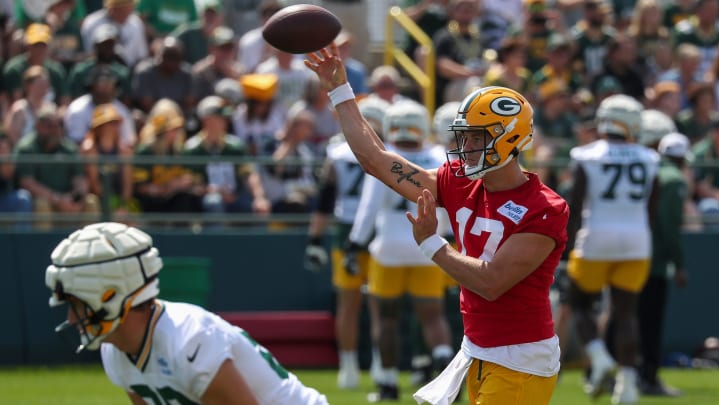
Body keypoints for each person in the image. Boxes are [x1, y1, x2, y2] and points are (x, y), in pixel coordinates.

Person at [305, 46, 568, 404]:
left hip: (519, 357)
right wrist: (340, 92)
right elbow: (377, 161)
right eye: (466, 136)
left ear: (510, 138)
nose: (466, 146)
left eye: (477, 137)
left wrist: (431, 243)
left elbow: (491, 282)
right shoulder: (461, 180)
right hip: (478, 347)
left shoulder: (544, 207)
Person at [45, 221, 329, 405]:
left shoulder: (189, 339)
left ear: (112, 294)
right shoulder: (115, 349)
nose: (72, 318)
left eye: (78, 305)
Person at [345, 100, 454, 402]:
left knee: (387, 319)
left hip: (389, 248)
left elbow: (368, 208)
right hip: (429, 246)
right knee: (433, 317)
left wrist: (355, 242)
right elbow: (447, 207)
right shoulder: (437, 157)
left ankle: (389, 383)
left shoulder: (386, 158)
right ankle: (445, 370)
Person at [564, 94, 660, 404]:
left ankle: (600, 358)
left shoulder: (587, 155)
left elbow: (575, 206)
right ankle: (628, 387)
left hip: (597, 238)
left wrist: (565, 245)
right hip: (636, 240)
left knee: (579, 305)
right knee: (626, 314)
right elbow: (651, 209)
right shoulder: (650, 158)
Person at [304, 96, 390, 390]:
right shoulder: (387, 150)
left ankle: (350, 367)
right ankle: (379, 364)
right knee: (379, 303)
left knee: (350, 303)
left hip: (346, 228)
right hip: (378, 229)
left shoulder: (337, 152)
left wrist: (314, 238)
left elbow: (324, 201)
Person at [637, 132, 690, 397]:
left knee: (627, 316)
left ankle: (621, 373)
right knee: (651, 321)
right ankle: (648, 377)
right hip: (654, 261)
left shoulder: (646, 168)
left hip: (630, 253)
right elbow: (669, 226)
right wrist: (679, 263)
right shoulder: (674, 179)